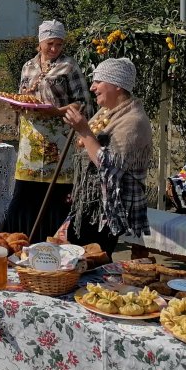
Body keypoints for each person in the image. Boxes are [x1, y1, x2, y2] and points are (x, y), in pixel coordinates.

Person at [2, 20, 91, 240]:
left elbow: (83, 103)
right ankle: (19, 239)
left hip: (58, 142)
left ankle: (51, 241)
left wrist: (58, 111)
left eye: (59, 45)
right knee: (25, 193)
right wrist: (18, 105)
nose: (54, 49)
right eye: (50, 44)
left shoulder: (68, 66)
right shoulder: (28, 66)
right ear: (40, 42)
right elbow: (23, 95)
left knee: (55, 194)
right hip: (30, 142)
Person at [63, 57, 153, 256]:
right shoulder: (107, 113)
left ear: (118, 85)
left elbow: (109, 165)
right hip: (90, 204)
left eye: (98, 82)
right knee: (76, 256)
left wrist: (85, 131)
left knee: (93, 261)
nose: (93, 87)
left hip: (108, 209)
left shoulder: (133, 121)